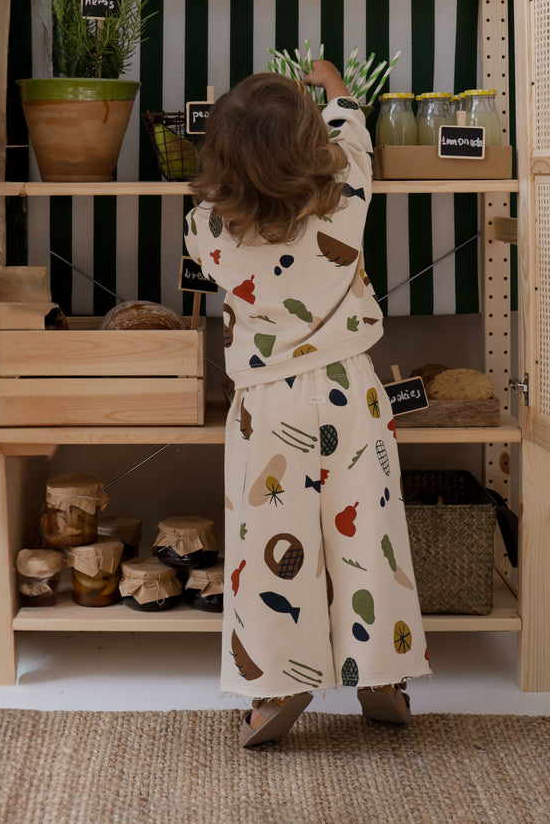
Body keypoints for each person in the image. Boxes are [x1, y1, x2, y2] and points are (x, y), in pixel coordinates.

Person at [184, 61, 430, 749]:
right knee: (369, 535)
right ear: (312, 146)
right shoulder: (347, 196)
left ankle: (279, 684)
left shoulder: (208, 230)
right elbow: (354, 137)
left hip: (267, 408)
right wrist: (335, 91)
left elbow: (213, 216)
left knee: (269, 548)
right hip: (352, 390)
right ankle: (381, 670)